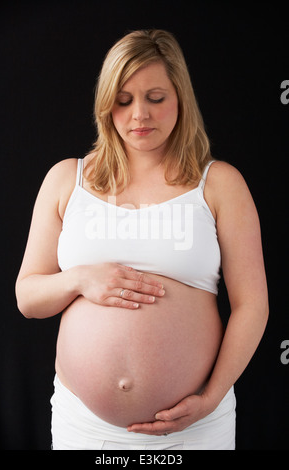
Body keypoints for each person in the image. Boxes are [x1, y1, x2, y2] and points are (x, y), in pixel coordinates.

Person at [15, 29, 269, 450]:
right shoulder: (66, 179)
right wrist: (79, 279)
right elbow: (27, 296)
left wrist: (210, 398)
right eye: (124, 99)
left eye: (156, 98)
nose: (140, 116)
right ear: (106, 104)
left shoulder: (220, 184)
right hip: (85, 427)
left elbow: (252, 305)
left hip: (195, 428)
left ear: (180, 99)